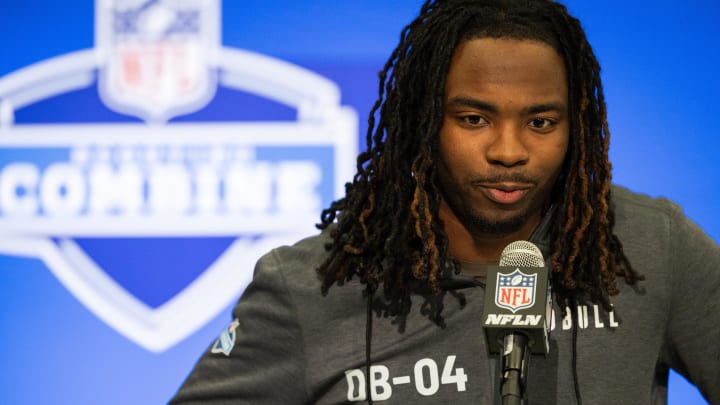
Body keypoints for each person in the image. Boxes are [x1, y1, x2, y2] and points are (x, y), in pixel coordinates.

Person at [170, 0, 720, 403]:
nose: (509, 151)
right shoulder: (310, 288)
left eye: (541, 122)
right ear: (423, 124)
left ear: (577, 128)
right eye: (474, 119)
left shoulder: (652, 248)